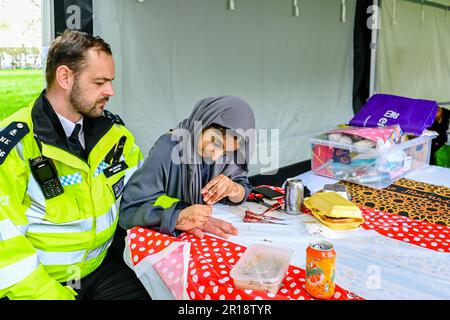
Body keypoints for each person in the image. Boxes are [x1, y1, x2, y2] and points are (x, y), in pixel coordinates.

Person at [0, 30, 150, 300]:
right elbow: (5, 252)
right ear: (65, 77)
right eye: (100, 82)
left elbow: (140, 192)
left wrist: (175, 213)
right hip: (42, 283)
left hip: (100, 269)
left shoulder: (116, 136)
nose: (110, 91)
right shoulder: (16, 146)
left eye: (111, 81)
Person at [119, 96, 255, 239]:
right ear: (203, 122)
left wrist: (233, 189)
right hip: (167, 243)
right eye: (215, 142)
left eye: (226, 151)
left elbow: (242, 189)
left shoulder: (225, 156)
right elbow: (129, 211)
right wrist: (176, 217)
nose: (216, 156)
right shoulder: (168, 148)